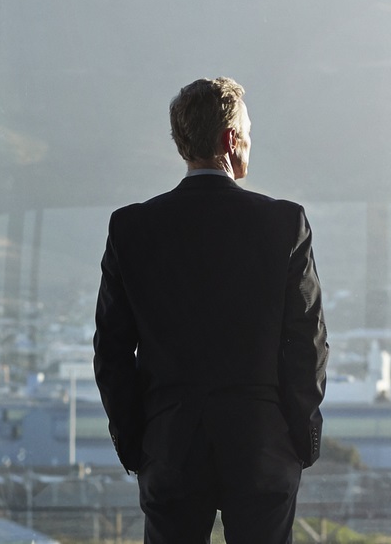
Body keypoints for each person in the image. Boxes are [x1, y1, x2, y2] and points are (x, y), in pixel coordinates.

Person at [93, 76, 329, 544]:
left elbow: (111, 354)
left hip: (170, 446)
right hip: (262, 446)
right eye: (249, 133)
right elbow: (307, 344)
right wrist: (300, 442)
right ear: (230, 139)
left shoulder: (132, 229)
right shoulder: (284, 224)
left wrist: (140, 444)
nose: (250, 143)